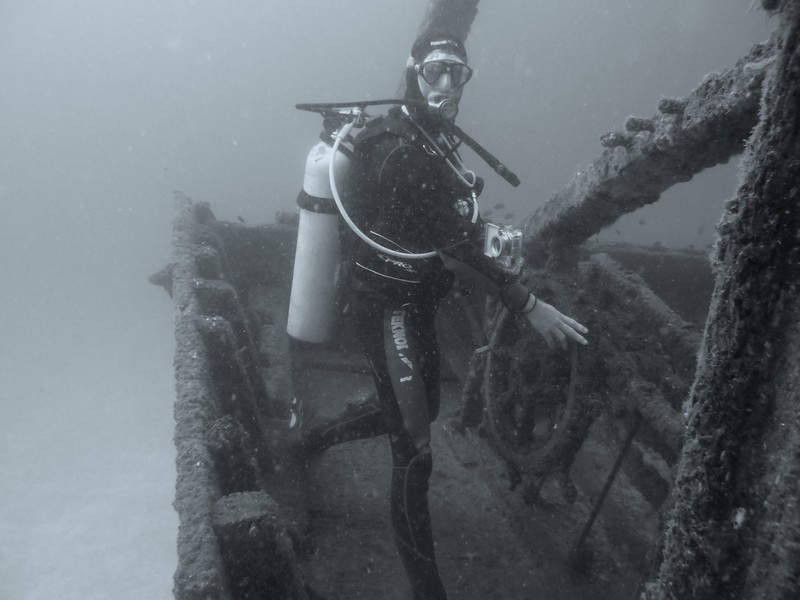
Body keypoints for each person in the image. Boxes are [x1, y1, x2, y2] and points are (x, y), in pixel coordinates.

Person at [294, 31, 588, 600]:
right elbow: (454, 234)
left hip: (417, 300)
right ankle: (428, 592)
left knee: (421, 408)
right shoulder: (400, 147)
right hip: (387, 309)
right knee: (416, 450)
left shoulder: (431, 138)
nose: (448, 85)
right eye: (435, 72)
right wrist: (526, 302)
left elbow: (454, 222)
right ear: (413, 73)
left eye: (459, 72)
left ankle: (319, 436)